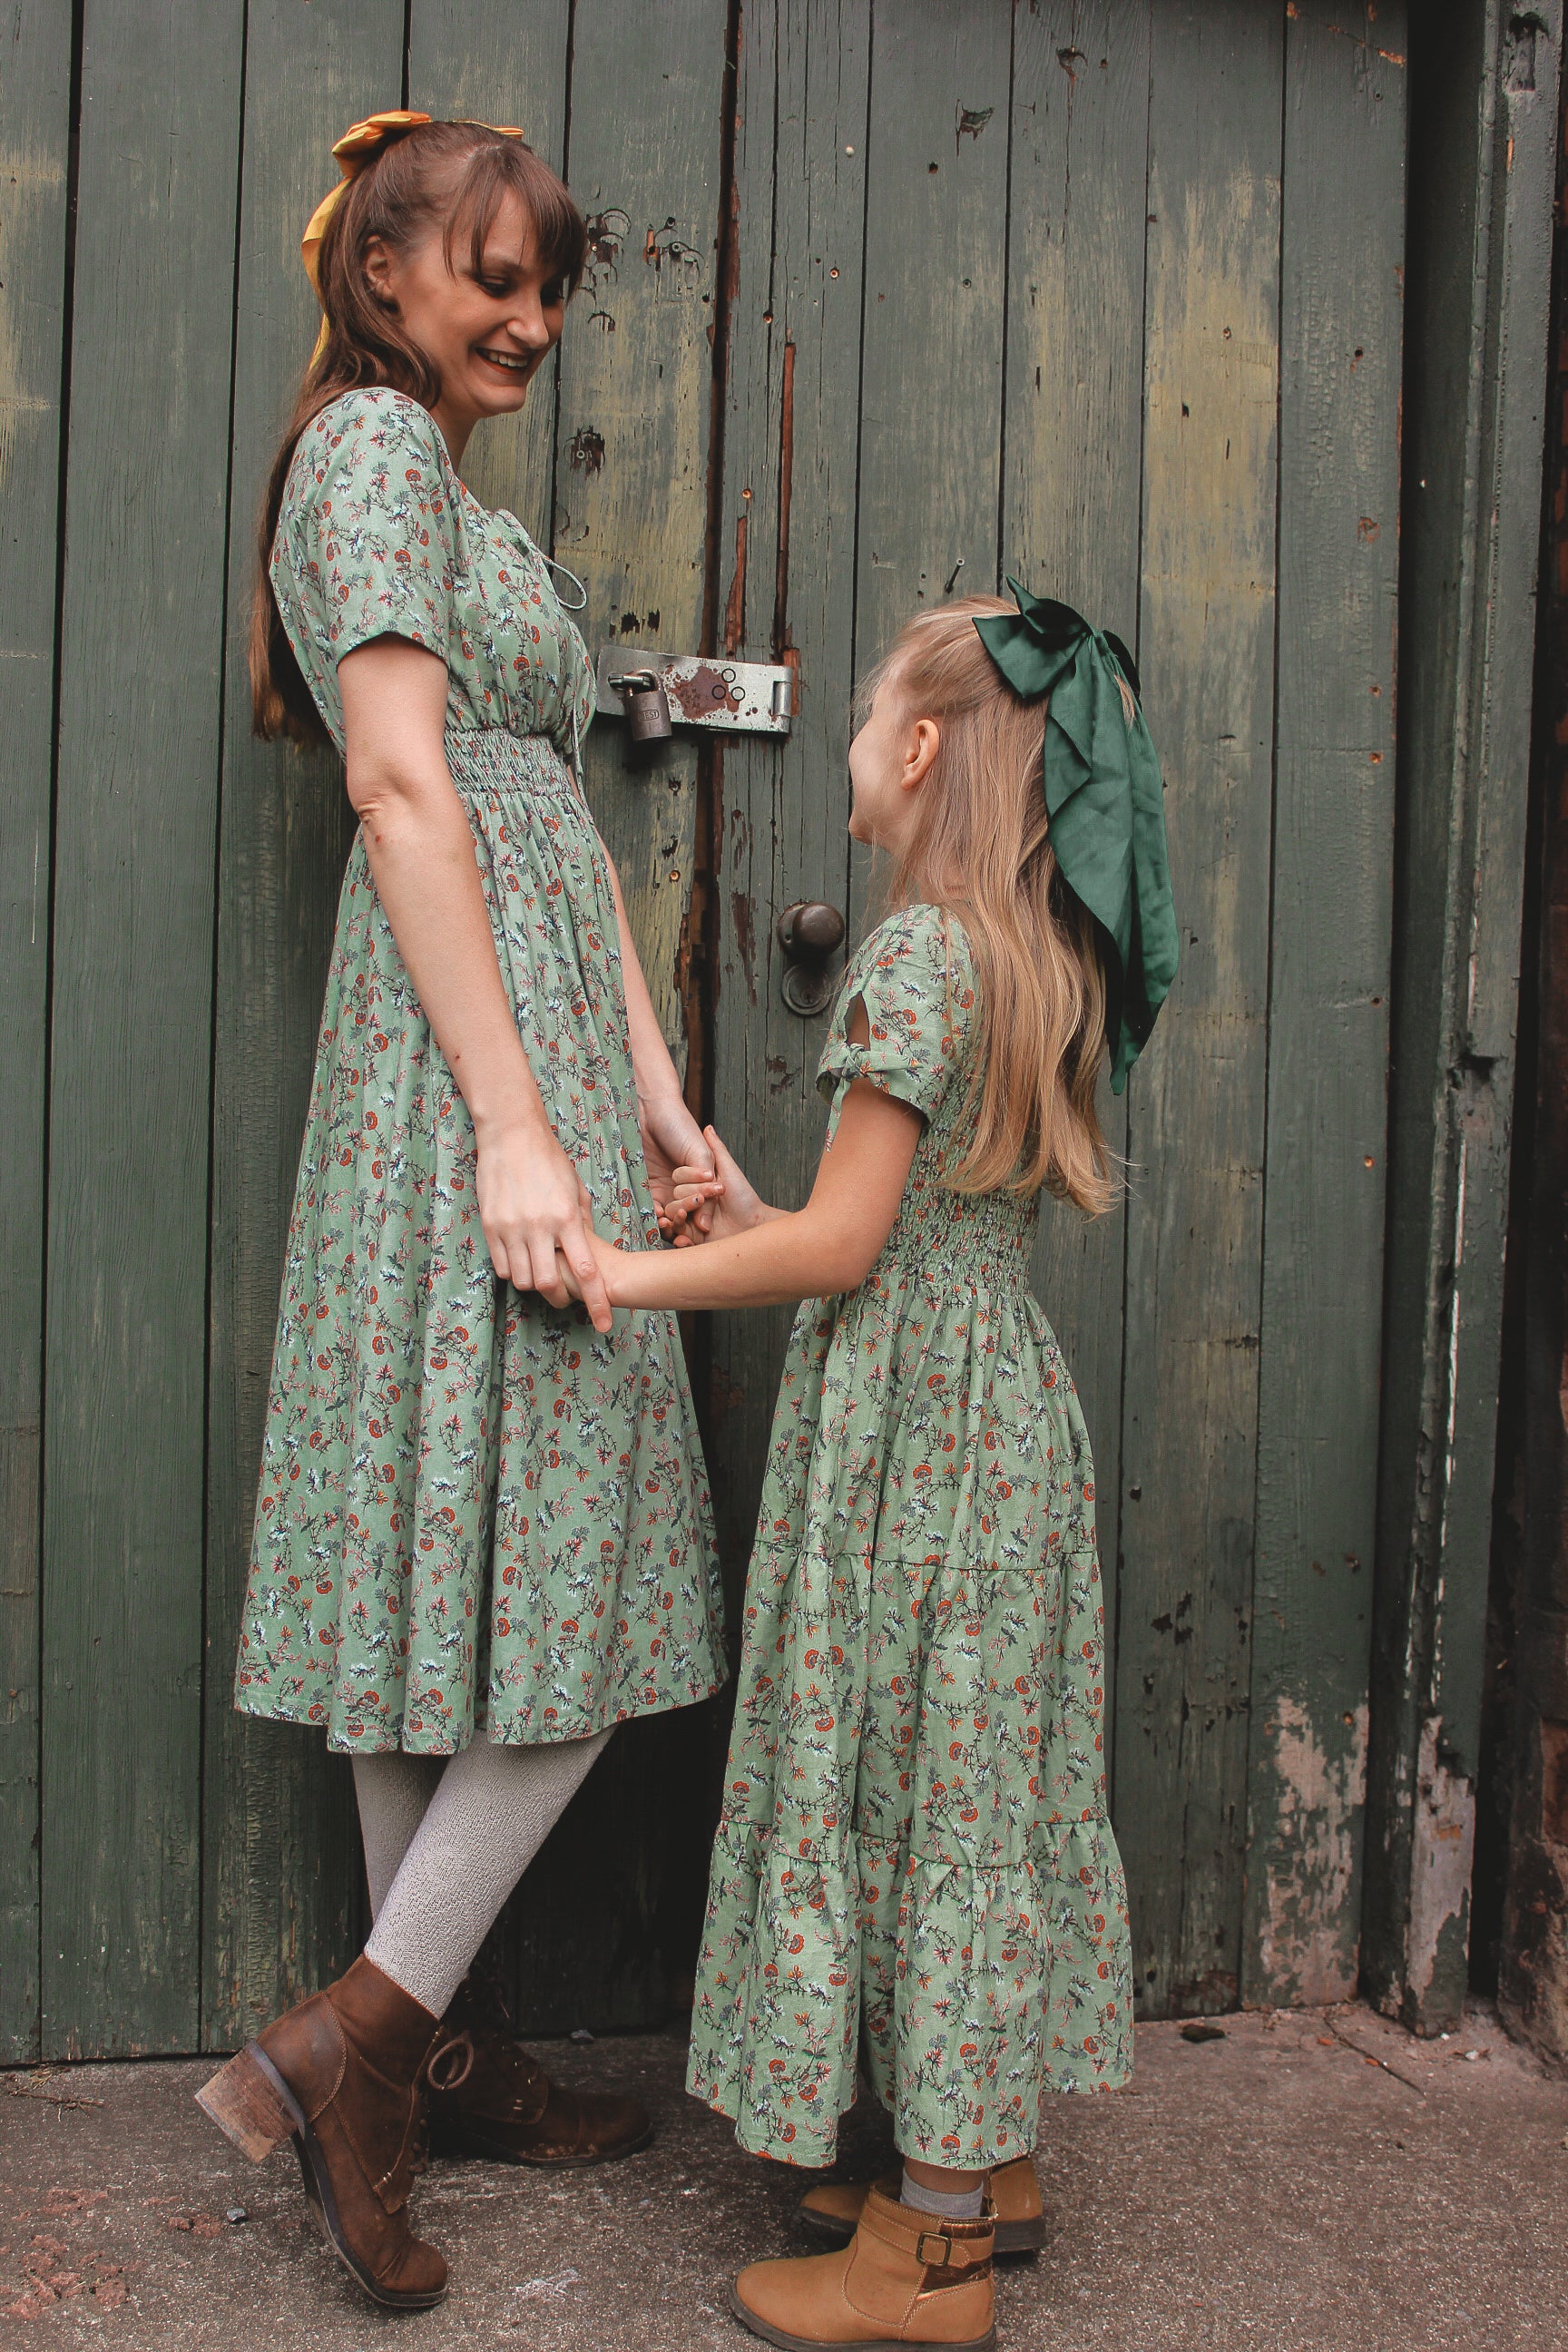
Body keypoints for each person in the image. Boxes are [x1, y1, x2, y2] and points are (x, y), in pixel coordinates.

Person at [195, 113, 724, 2313]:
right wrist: (520, 1124)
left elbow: (540, 821)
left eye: (549, 286)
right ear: (386, 276)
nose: (529, 317)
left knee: (458, 1556)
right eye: (491, 276)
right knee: (572, 1570)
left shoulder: (449, 487)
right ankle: (362, 2050)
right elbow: (407, 788)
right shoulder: (371, 467)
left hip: (532, 1064)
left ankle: (424, 2042)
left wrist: (659, 1098)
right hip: (455, 1082)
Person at [563, 585, 1177, 2349]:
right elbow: (873, 1232)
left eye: (860, 716)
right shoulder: (1033, 950)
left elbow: (840, 1259)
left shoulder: (920, 954)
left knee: (923, 1793)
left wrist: (636, 1269)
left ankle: (931, 2261)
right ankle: (977, 2163)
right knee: (965, 1788)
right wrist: (748, 1213)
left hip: (919, 1438)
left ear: (918, 752)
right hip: (988, 1414)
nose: (843, 743)